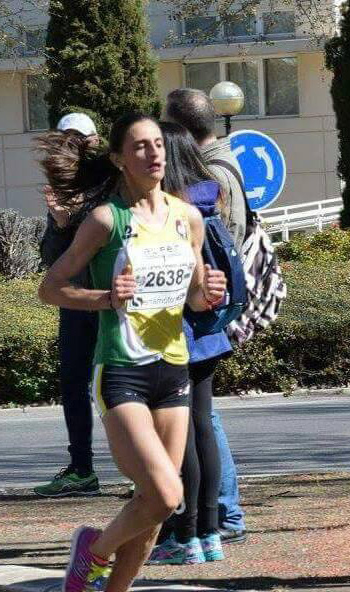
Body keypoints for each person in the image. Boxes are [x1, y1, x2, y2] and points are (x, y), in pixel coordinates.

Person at [38, 113, 226, 592]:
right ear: (120, 158)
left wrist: (206, 292)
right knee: (166, 493)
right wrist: (105, 297)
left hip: (173, 368)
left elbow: (192, 297)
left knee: (155, 505)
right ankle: (91, 555)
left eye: (159, 146)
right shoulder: (105, 220)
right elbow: (52, 288)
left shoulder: (188, 216)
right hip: (120, 369)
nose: (154, 155)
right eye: (140, 147)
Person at [148, 121, 233, 564]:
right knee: (203, 429)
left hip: (177, 330)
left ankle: (184, 536)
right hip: (210, 332)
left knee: (178, 437)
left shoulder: (172, 212)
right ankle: (210, 533)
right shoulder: (209, 199)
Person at [165, 87, 247, 543]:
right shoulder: (210, 173)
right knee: (200, 419)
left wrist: (202, 289)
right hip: (206, 311)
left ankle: (218, 517)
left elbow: (219, 246)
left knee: (199, 422)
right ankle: (210, 521)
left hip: (201, 315)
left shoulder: (204, 180)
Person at [33, 113, 103, 498]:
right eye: (67, 140)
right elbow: (51, 258)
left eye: (82, 140)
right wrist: (60, 222)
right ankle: (81, 469)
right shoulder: (60, 192)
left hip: (112, 302)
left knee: (123, 384)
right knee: (74, 384)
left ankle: (146, 470)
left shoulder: (110, 186)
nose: (75, 148)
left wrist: (75, 217)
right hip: (77, 304)